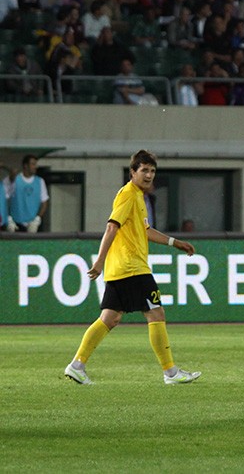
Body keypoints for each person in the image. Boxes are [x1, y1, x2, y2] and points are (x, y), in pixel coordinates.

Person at [64, 150, 201, 386]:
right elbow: (111, 227)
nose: (149, 175)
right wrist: (99, 261)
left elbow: (145, 231)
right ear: (132, 172)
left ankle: (77, 366)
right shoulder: (128, 194)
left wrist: (174, 242)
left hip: (120, 269)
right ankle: (170, 372)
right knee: (155, 313)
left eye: (152, 171)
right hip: (132, 267)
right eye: (144, 170)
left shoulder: (138, 196)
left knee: (110, 318)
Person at [6, 154, 48, 233]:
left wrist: (37, 220)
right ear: (25, 166)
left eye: (36, 164)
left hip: (33, 226)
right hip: (16, 225)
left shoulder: (40, 181)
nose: (35, 167)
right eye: (33, 164)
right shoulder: (15, 180)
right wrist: (8, 219)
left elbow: (44, 203)